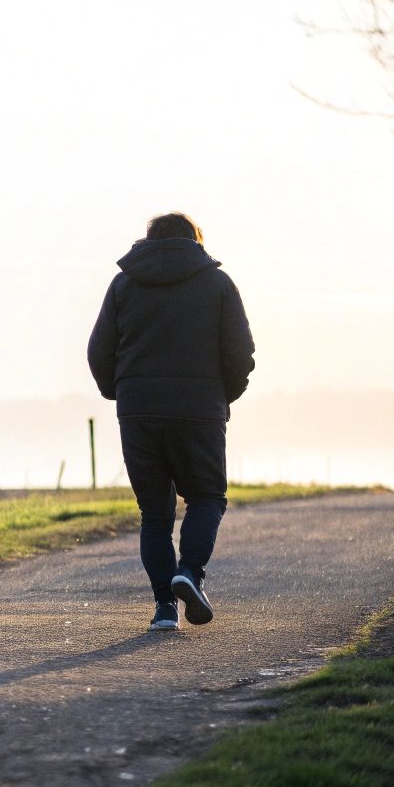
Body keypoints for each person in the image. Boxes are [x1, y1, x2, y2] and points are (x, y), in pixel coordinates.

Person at [86, 212, 255, 631]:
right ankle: (190, 573)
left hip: (138, 410)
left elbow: (98, 350)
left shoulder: (124, 284)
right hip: (199, 410)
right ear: (195, 241)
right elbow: (240, 352)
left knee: (155, 515)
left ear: (147, 241)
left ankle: (165, 608)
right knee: (207, 497)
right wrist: (222, 396)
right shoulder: (217, 283)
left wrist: (122, 392)